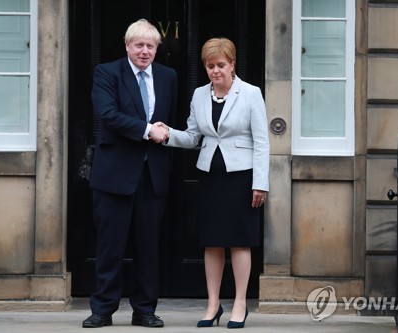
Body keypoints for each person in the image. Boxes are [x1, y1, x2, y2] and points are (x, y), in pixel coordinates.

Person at [157, 37, 269, 329]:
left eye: (221, 65)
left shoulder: (251, 93)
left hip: (242, 178)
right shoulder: (198, 95)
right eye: (210, 66)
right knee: (212, 241)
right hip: (209, 177)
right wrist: (168, 133)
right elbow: (194, 136)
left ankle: (241, 303)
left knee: (240, 241)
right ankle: (212, 304)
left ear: (232, 65)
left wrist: (261, 183)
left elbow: (262, 142)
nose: (215, 71)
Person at [82, 19, 177, 328]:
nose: (145, 51)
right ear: (127, 46)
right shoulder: (107, 73)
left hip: (153, 176)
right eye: (139, 45)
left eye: (151, 46)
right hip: (113, 175)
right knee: (110, 247)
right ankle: (103, 309)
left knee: (149, 248)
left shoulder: (168, 76)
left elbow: (169, 121)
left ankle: (145, 309)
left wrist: (162, 131)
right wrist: (149, 130)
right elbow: (108, 115)